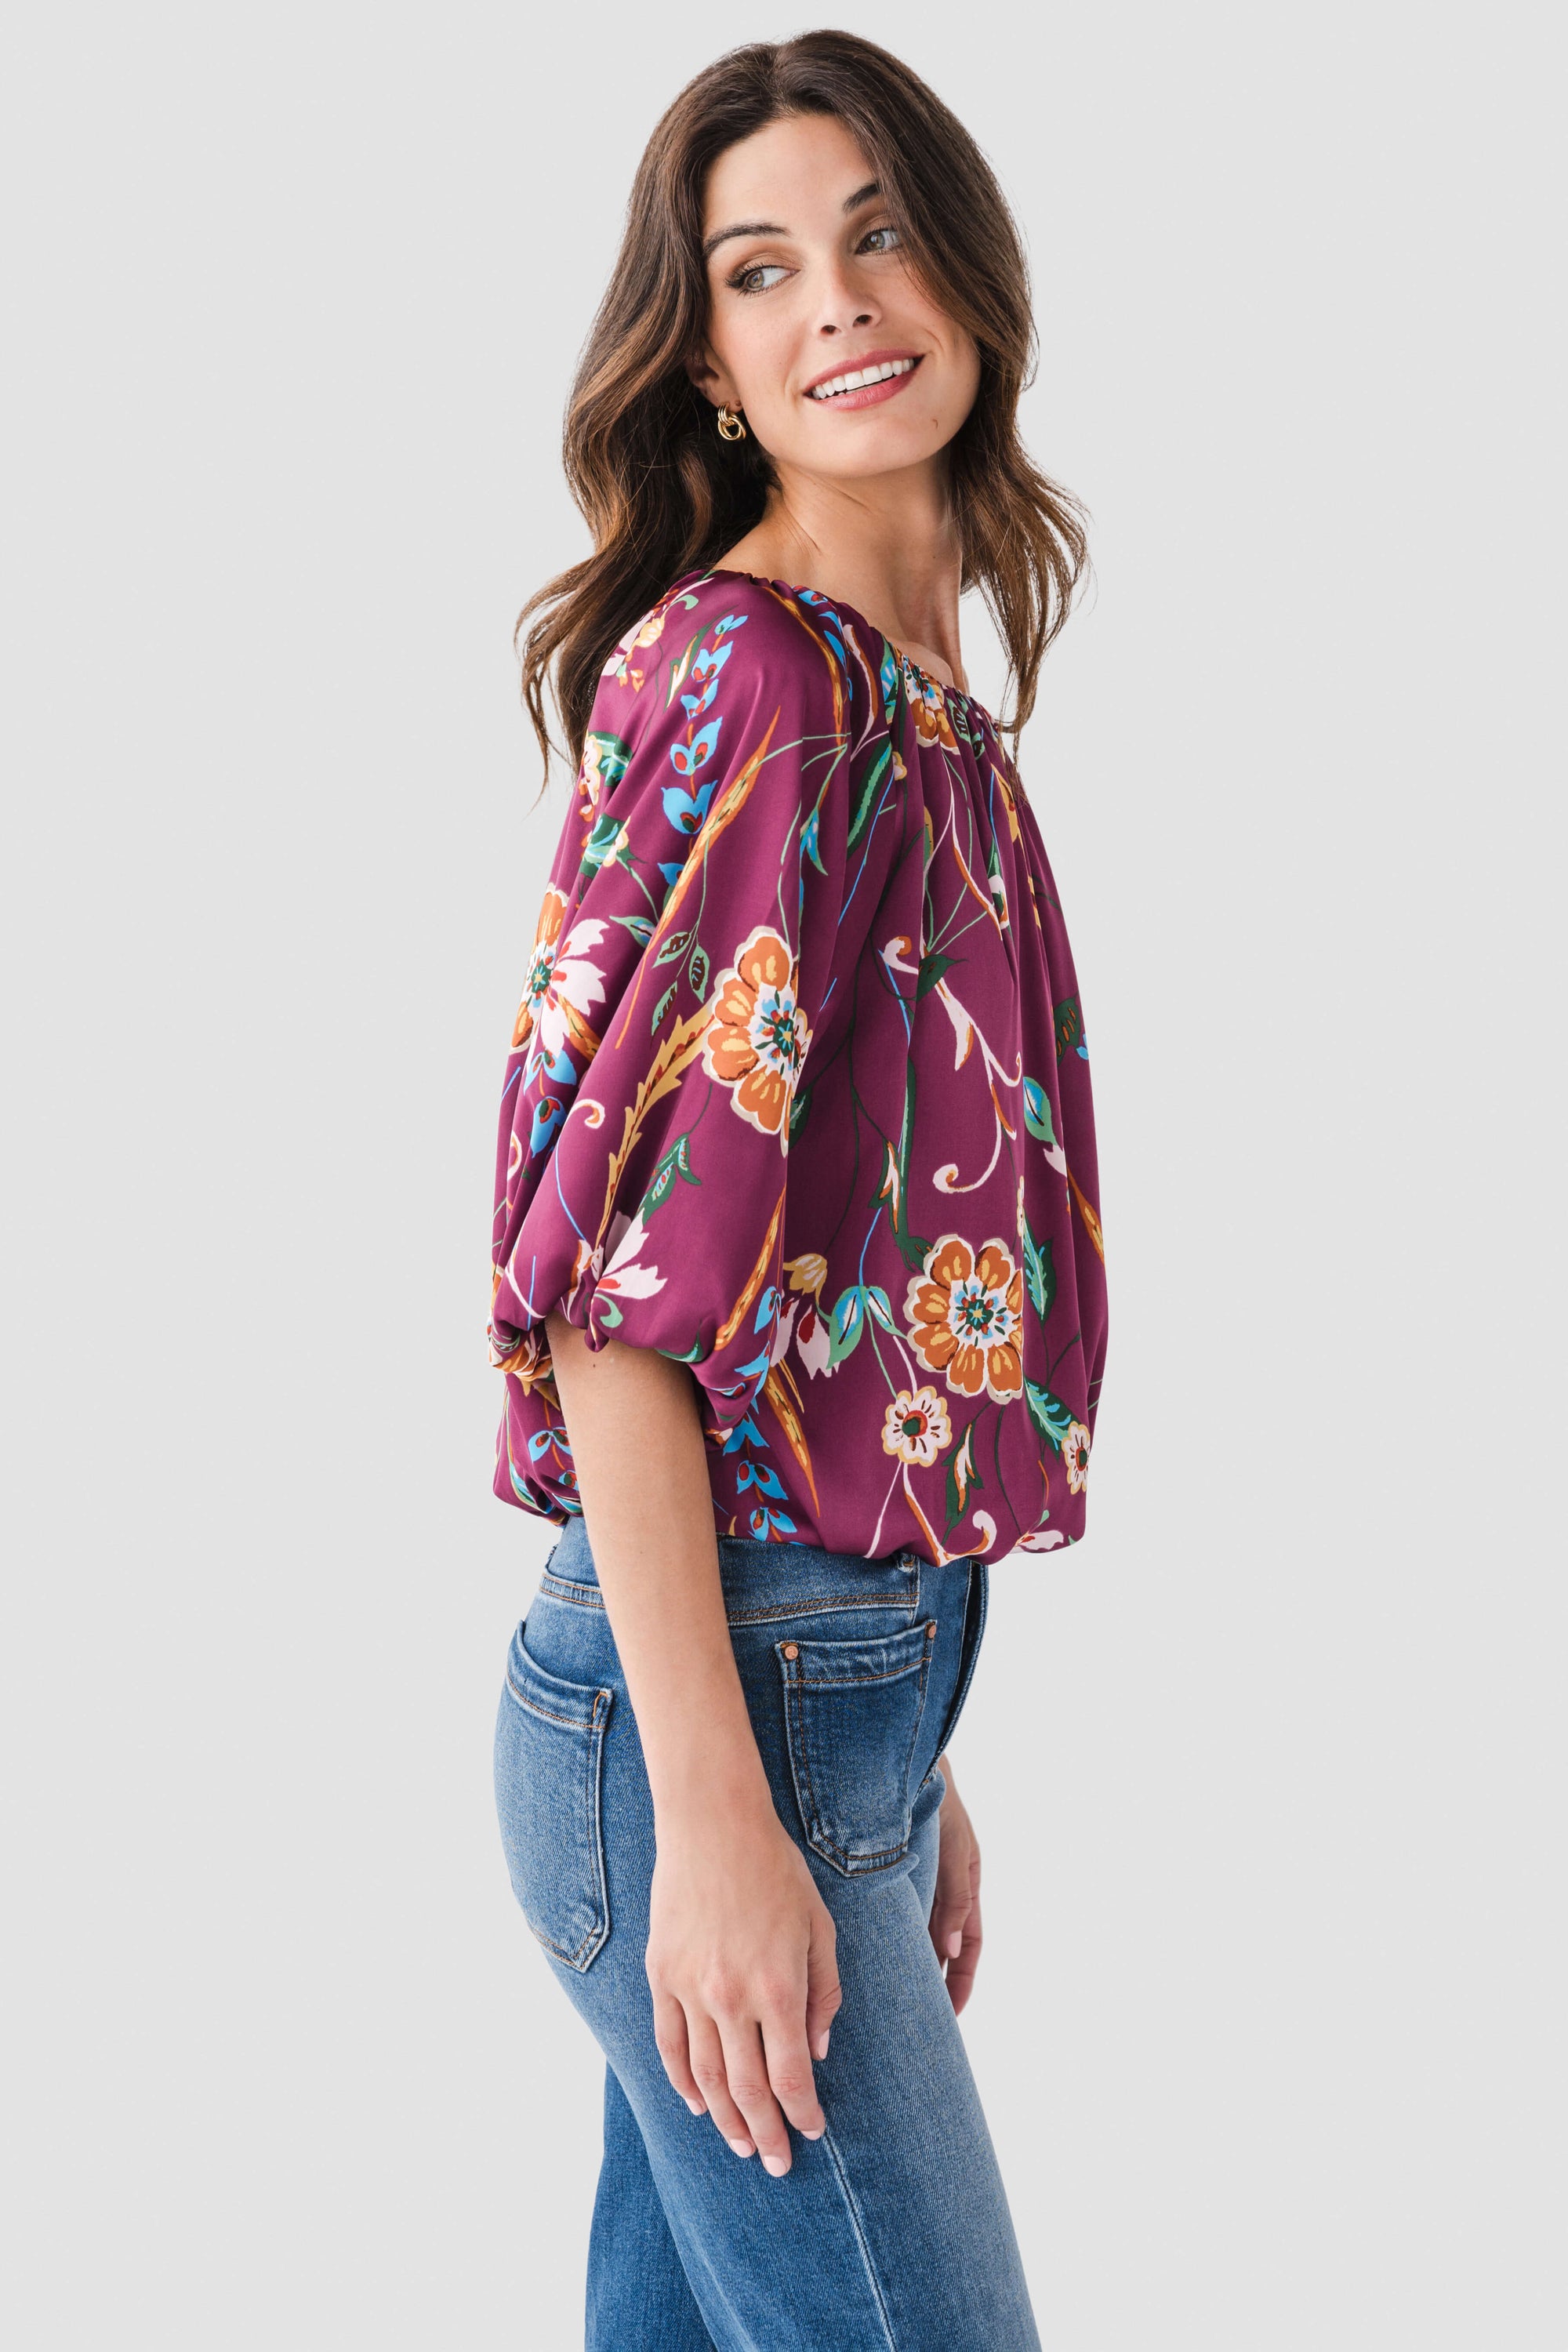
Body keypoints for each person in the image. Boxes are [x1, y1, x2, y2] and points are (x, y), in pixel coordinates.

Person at [487, 31, 1108, 2350]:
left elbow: (840, 1282)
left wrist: (889, 1758)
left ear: (967, 268)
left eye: (877, 233)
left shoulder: (910, 700)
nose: (837, 299)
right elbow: (615, 1303)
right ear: (714, 365)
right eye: (761, 270)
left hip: (816, 1697)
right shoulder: (766, 689)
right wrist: (729, 1816)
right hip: (710, 1716)